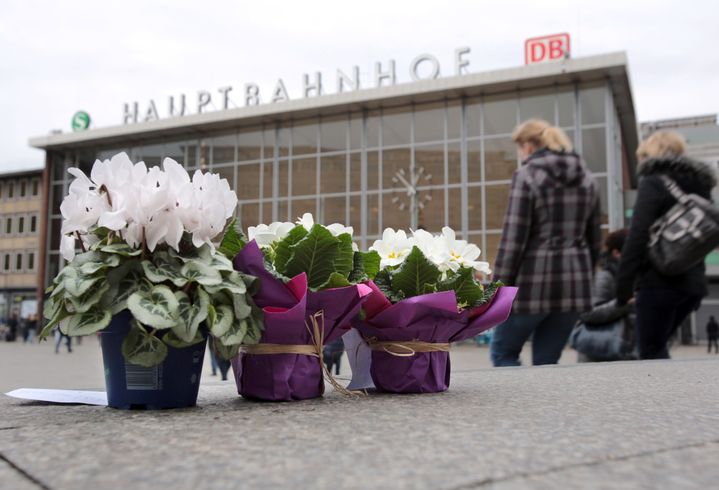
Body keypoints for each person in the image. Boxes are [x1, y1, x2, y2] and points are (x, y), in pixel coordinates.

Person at [490, 119, 601, 366]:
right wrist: (586, 278)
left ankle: (518, 405)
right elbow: (595, 240)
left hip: (533, 285)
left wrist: (498, 288)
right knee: (548, 362)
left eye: (519, 147)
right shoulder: (588, 179)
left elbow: (513, 239)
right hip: (574, 285)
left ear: (529, 145)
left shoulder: (527, 176)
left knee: (503, 353)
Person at [616, 131, 716, 359]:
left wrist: (623, 287)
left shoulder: (653, 181)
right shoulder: (701, 184)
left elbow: (638, 235)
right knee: (659, 346)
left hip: (658, 282)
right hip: (693, 285)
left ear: (652, 154)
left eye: (643, 156)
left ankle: (666, 395)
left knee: (651, 352)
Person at [571, 229, 636, 362]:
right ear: (616, 253)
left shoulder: (634, 275)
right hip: (601, 354)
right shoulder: (604, 276)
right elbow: (589, 313)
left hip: (623, 351)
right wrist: (624, 303)